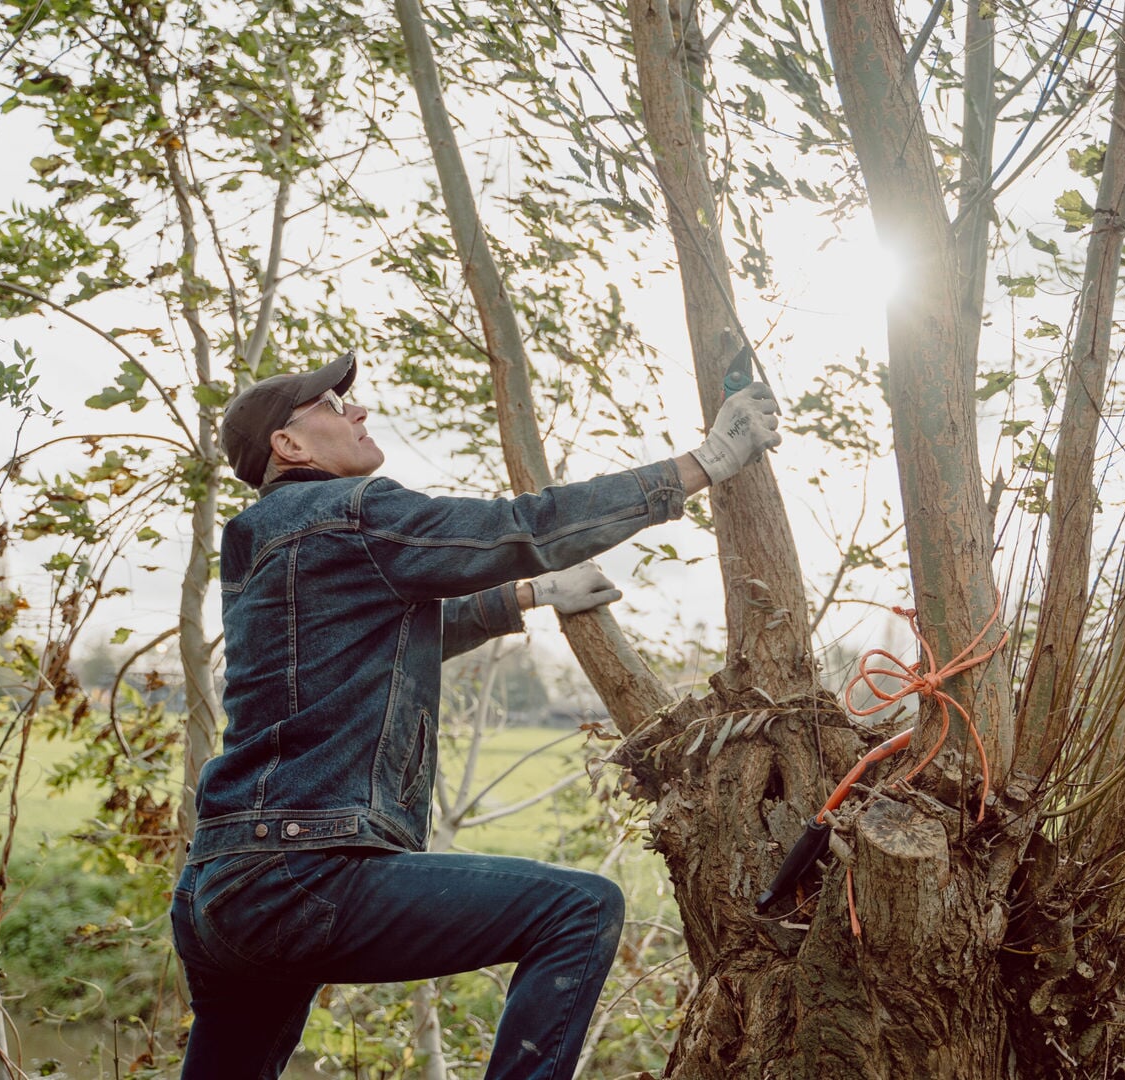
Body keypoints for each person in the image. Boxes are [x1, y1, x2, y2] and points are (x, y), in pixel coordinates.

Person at [169, 349, 782, 1080]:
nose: (356, 410)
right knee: (579, 911)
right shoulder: (348, 512)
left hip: (219, 887)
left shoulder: (264, 538)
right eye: (331, 406)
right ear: (289, 445)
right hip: (300, 874)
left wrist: (530, 595)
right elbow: (520, 527)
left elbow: (377, 640)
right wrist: (705, 463)